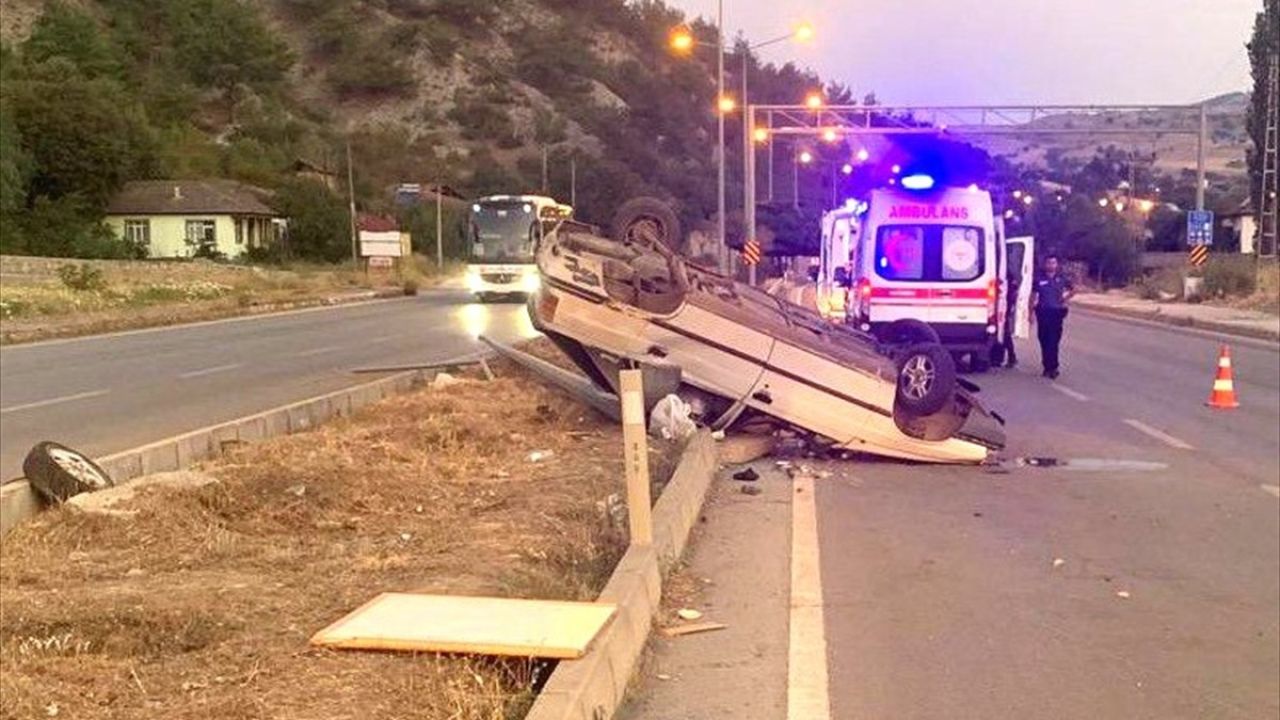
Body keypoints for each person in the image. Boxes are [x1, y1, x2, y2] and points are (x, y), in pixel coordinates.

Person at [1030, 254, 1075, 379]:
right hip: (1043, 312)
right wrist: (1030, 314)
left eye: (1053, 263)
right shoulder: (1039, 279)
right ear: (1045, 265)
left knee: (1054, 340)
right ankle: (1046, 366)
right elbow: (1033, 296)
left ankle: (1053, 367)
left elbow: (1073, 289)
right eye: (1049, 263)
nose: (1051, 265)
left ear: (1057, 265)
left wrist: (1065, 298)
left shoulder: (1061, 278)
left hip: (1056, 312)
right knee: (1043, 339)